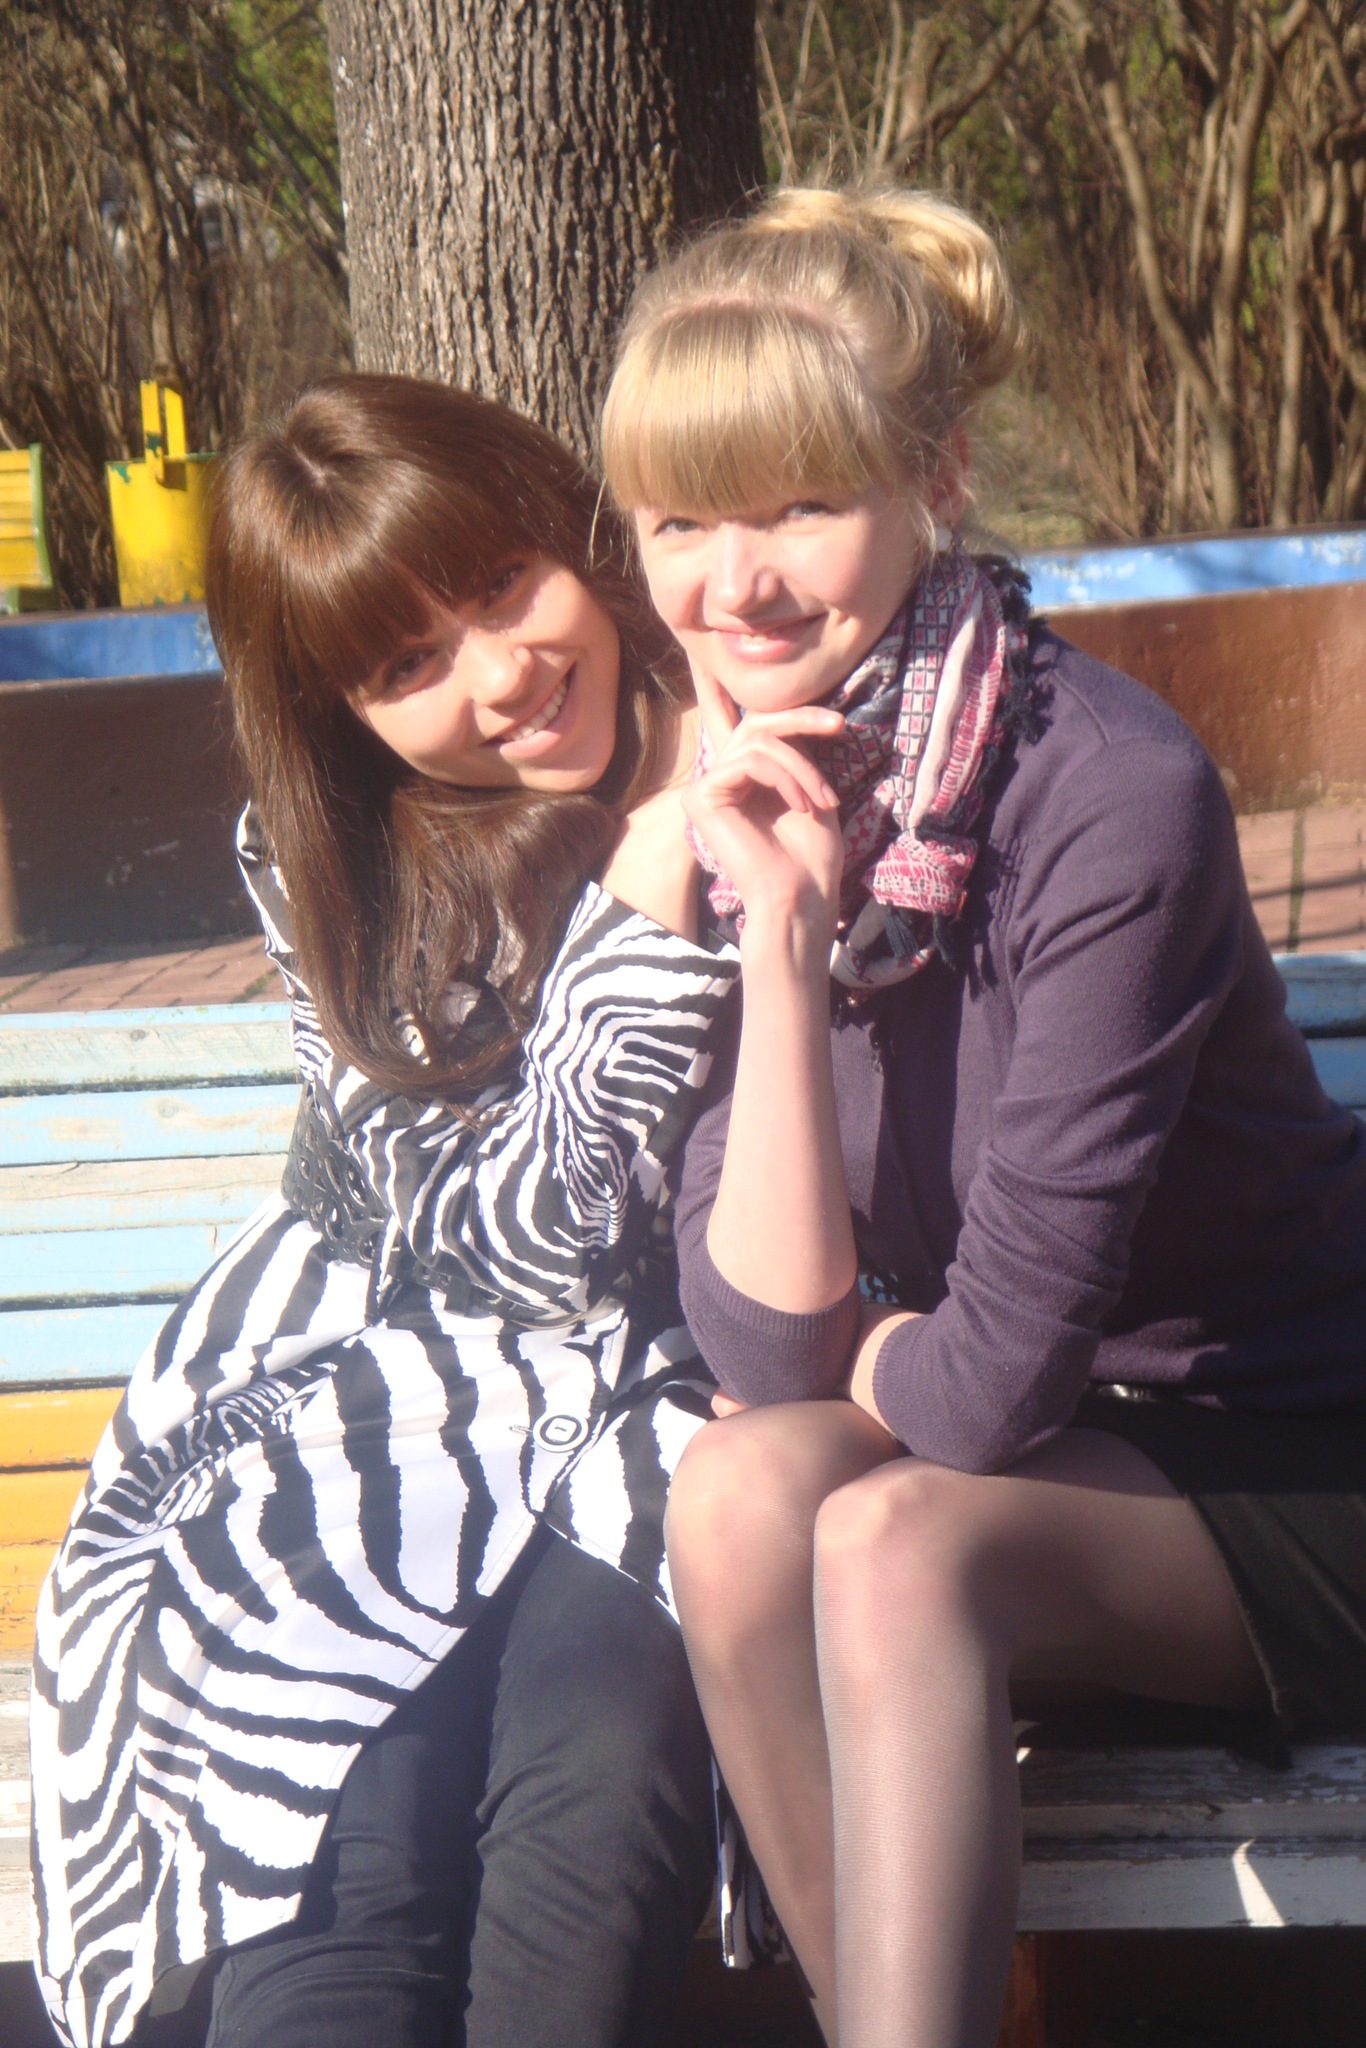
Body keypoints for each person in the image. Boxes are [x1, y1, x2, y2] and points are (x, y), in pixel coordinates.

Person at [599, 184, 1366, 2048]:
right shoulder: (748, 802)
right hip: (1040, 1469)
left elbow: (978, 1394)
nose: (735, 585)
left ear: (934, 480)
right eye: (681, 521)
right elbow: (763, 1354)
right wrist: (778, 946)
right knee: (735, 1495)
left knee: (892, 1543)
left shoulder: (1102, 793)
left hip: (1288, 1462)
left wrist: (869, 1357)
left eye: (799, 504)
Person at [29, 375, 750, 2048]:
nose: (499, 677)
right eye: (407, 666)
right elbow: (511, 1245)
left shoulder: (762, 724)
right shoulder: (336, 859)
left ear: (567, 524)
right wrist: (648, 897)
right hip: (367, 1388)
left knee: (599, 1784)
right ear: (339, 715)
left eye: (503, 585)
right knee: (337, 1812)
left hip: (672, 1404)